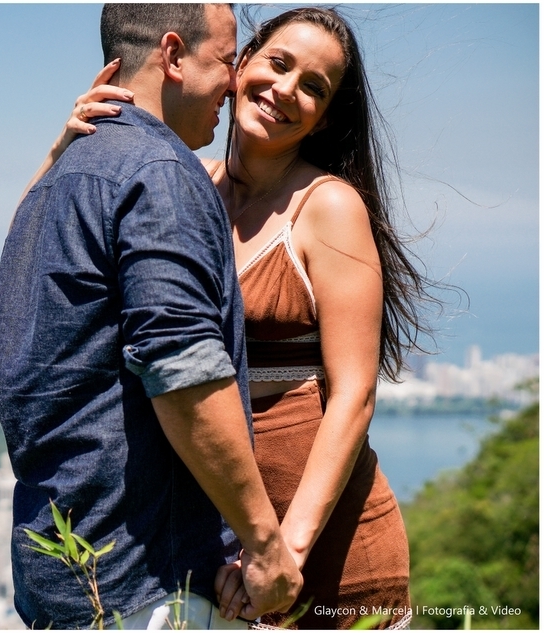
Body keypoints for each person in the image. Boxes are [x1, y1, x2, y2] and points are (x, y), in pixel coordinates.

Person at [29, 6, 433, 630]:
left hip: (324, 551)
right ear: (240, 64)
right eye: (278, 63)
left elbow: (353, 396)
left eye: (314, 88)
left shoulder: (327, 206)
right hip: (225, 551)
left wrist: (285, 552)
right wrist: (64, 151)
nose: (287, 91)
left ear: (325, 116)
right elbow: (32, 260)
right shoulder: (185, 186)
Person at [0, 4, 302, 629]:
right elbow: (181, 366)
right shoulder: (159, 173)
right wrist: (264, 545)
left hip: (66, 579)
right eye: (224, 61)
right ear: (175, 55)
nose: (237, 82)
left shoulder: (56, 183)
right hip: (150, 585)